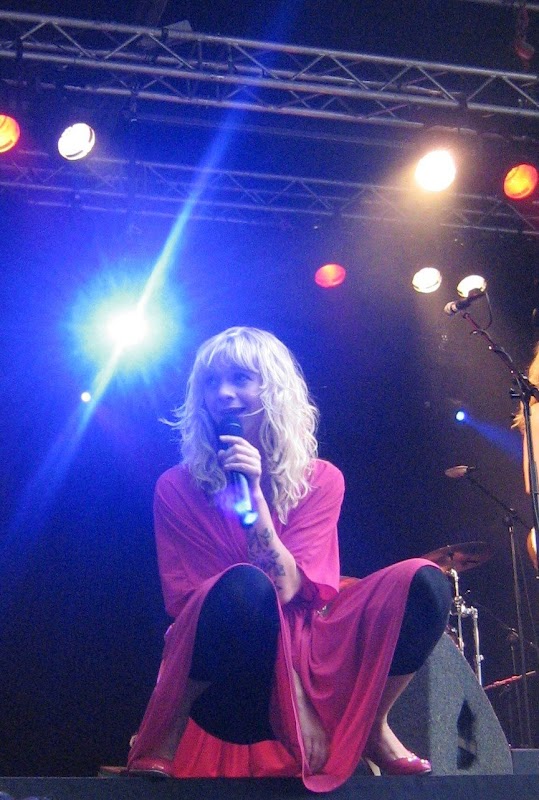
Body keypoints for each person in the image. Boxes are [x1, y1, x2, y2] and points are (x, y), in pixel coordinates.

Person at [126, 326, 451, 792]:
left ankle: (374, 725)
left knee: (424, 582)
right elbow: (213, 604)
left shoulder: (321, 480)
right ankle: (168, 729)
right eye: (212, 382)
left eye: (241, 378)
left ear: (273, 391)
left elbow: (288, 587)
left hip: (311, 653)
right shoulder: (176, 488)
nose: (224, 393)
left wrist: (253, 494)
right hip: (229, 679)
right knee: (244, 586)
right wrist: (292, 698)